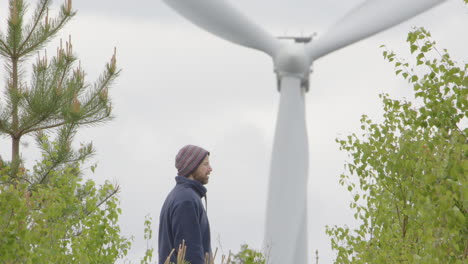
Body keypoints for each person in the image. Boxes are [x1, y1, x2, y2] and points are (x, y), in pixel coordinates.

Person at [158, 145, 213, 264]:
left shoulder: (180, 196)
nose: (210, 169)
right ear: (192, 166)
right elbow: (190, 254)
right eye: (205, 164)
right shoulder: (186, 200)